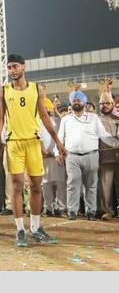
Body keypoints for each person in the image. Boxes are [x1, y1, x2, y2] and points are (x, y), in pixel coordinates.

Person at [0, 53, 67, 247]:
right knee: (16, 186)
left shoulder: (37, 89)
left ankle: (36, 228)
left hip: (32, 142)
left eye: (15, 67)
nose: (12, 71)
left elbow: (46, 118)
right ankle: (20, 230)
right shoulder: (3, 91)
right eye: (9, 68)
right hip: (14, 144)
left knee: (36, 186)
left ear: (24, 66)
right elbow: (0, 119)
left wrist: (58, 142)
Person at [56, 90, 119, 221]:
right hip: (72, 156)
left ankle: (91, 212)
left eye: (79, 100)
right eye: (74, 100)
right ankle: (72, 211)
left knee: (91, 185)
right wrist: (57, 153)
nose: (76, 102)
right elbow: (59, 137)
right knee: (72, 184)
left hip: (91, 155)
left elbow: (103, 135)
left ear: (84, 102)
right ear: (71, 103)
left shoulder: (93, 118)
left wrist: (115, 143)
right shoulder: (66, 120)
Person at [39, 98, 66, 217]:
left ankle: (62, 208)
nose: (44, 109)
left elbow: (62, 137)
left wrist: (57, 152)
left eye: (46, 107)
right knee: (45, 184)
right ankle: (48, 208)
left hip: (57, 157)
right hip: (43, 157)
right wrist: (42, 151)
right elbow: (36, 138)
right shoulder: (37, 122)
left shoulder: (57, 121)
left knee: (60, 183)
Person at [97, 83, 119, 220]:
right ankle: (108, 211)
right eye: (102, 103)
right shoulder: (96, 120)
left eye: (108, 103)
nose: (105, 105)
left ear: (112, 104)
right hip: (105, 158)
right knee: (106, 187)